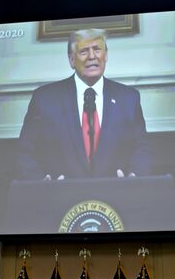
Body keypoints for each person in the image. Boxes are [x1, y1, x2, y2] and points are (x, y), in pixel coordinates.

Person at [17, 28, 153, 179]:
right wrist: (41, 184)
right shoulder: (45, 99)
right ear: (71, 59)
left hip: (115, 191)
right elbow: (25, 152)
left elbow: (141, 148)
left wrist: (134, 177)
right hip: (61, 192)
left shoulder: (128, 98)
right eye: (83, 51)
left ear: (106, 55)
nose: (92, 56)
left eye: (97, 49)